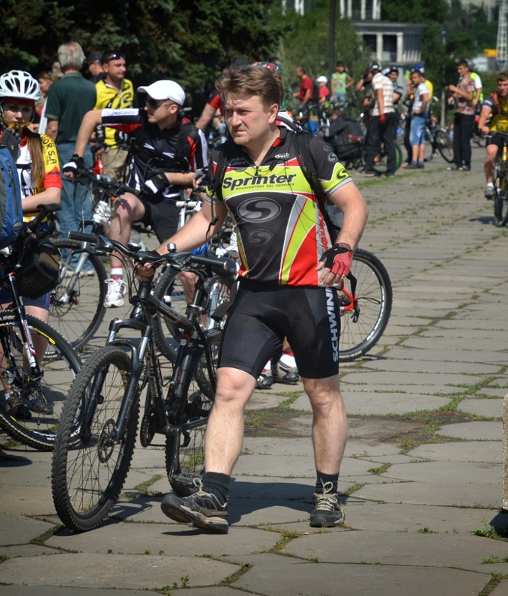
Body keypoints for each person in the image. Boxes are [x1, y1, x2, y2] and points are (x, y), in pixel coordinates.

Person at [153, 64, 369, 533]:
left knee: (321, 395)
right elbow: (207, 221)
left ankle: (327, 492)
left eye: (243, 111)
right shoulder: (224, 161)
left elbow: (353, 203)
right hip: (254, 297)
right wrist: (161, 250)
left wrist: (345, 247)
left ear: (272, 112)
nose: (233, 120)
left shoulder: (306, 149)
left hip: (309, 293)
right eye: (228, 111)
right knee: (229, 391)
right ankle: (213, 496)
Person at [65, 80, 208, 307]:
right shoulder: (139, 118)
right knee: (122, 204)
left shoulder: (191, 135)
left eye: (153, 102)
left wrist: (168, 178)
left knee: (188, 275)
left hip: (170, 205)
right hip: (138, 199)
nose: (146, 106)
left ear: (173, 108)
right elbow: (91, 116)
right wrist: (77, 159)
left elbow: (201, 178)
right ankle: (115, 279)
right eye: (145, 101)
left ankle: (198, 329)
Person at [0, 71, 63, 411]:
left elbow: (53, 194)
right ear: (0, 106)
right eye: (12, 107)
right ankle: (10, 390)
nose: (19, 114)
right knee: (3, 319)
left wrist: (12, 210)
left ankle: (32, 379)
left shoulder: (42, 145)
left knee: (38, 321)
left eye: (26, 108)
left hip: (34, 238)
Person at [44, 41, 97, 239]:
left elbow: (53, 127)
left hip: (63, 148)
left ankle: (71, 259)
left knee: (64, 202)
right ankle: (87, 257)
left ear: (61, 60)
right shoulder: (90, 88)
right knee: (84, 204)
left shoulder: (58, 87)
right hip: (85, 151)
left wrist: (43, 151)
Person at [93, 51, 135, 179]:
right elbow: (90, 118)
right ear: (105, 67)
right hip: (108, 149)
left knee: (128, 191)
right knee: (107, 189)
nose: (123, 69)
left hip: (129, 148)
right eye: (118, 65)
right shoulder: (96, 89)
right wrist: (95, 143)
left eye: (124, 65)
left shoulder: (128, 85)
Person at [361, 62, 397, 177]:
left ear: (372, 72)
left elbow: (380, 95)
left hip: (380, 112)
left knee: (372, 140)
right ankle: (391, 170)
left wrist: (381, 113)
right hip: (391, 111)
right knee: (389, 141)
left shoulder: (376, 79)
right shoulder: (388, 80)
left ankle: (369, 168)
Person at [447, 59, 478, 172]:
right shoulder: (461, 81)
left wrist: (456, 91)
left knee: (465, 139)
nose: (458, 71)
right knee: (456, 139)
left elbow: (469, 96)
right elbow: (459, 92)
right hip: (459, 112)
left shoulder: (470, 81)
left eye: (460, 69)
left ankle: (467, 163)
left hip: (467, 113)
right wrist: (452, 96)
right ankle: (457, 162)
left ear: (466, 69)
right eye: (458, 69)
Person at [406, 68, 430, 169]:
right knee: (421, 139)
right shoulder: (419, 87)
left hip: (418, 115)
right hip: (422, 115)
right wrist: (409, 86)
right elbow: (410, 97)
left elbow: (425, 99)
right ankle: (420, 160)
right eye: (412, 78)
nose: (413, 80)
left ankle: (414, 161)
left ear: (421, 78)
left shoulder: (421, 87)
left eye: (415, 78)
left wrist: (420, 110)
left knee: (414, 138)